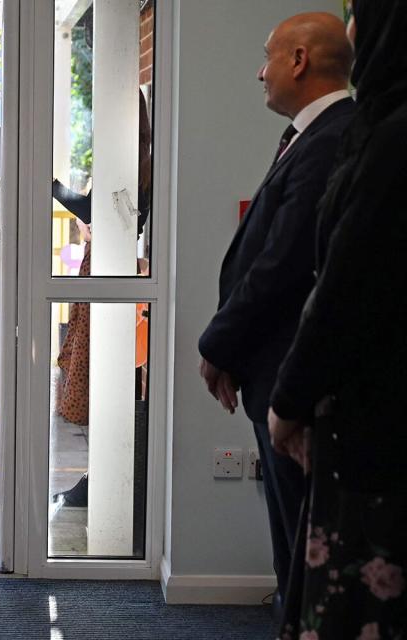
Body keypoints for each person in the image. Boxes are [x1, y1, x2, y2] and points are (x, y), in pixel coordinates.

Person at [197, 12, 354, 608]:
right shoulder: (313, 135)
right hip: (272, 371)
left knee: (302, 557)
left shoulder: (332, 138)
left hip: (295, 381)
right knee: (290, 550)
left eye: (268, 57)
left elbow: (284, 266)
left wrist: (217, 346)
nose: (259, 72)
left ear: (299, 60)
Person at [269, 1, 407, 637]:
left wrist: (288, 400)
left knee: (356, 605)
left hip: (374, 432)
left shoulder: (385, 138)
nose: (352, 39)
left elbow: (340, 287)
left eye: (359, 16)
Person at [49, 90, 153, 508]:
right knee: (112, 382)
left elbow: (95, 208)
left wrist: (51, 185)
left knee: (108, 381)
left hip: (116, 286)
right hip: (114, 282)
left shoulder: (129, 164)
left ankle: (109, 480)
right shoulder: (144, 162)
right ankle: (106, 477)